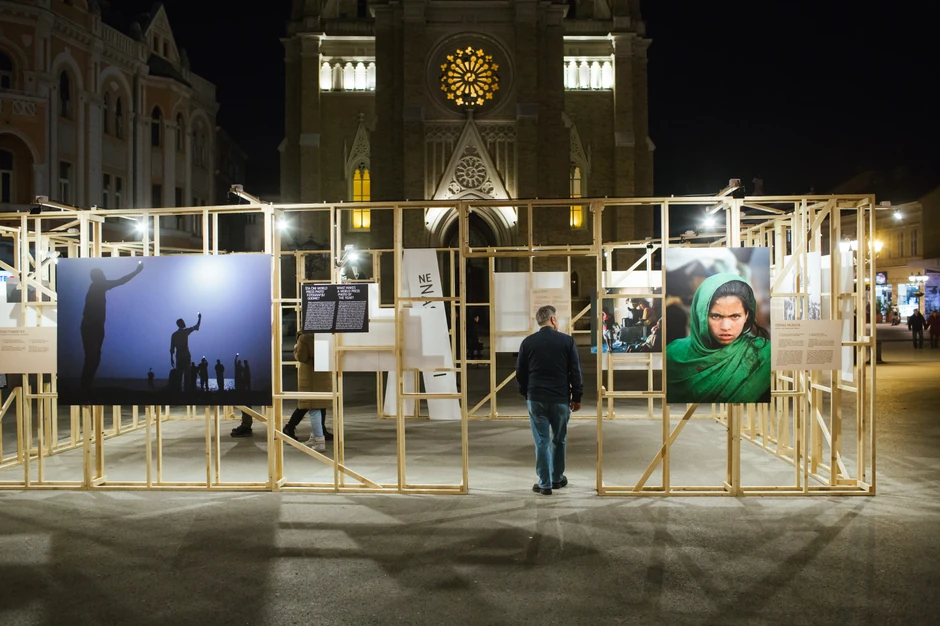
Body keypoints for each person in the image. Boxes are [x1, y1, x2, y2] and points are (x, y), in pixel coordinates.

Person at [666, 273, 771, 404]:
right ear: (701, 315)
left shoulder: (764, 355)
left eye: (735, 316)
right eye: (716, 316)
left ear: (747, 315)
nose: (725, 327)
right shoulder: (672, 355)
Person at [516, 304, 583, 496]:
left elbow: (520, 372)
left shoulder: (528, 342)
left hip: (536, 398)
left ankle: (544, 484)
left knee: (542, 441)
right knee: (559, 439)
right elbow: (575, 372)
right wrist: (576, 397)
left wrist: (527, 393)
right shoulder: (567, 341)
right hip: (560, 398)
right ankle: (557, 478)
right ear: (553, 319)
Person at [80, 261, 143, 388]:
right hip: (92, 326)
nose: (105, 275)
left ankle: (86, 384)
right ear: (98, 277)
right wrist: (136, 272)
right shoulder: (98, 285)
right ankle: (85, 385)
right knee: (93, 356)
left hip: (93, 325)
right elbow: (121, 281)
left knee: (93, 356)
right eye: (102, 274)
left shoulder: (96, 286)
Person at [282, 331, 331, 451]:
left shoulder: (305, 338)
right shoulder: (327, 335)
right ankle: (316, 436)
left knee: (313, 408)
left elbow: (302, 357)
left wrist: (296, 349)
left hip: (310, 377)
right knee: (319, 406)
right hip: (323, 375)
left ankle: (319, 441)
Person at [169, 313, 201, 392]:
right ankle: (186, 392)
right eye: (183, 322)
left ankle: (179, 391)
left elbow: (172, 348)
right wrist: (199, 318)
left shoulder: (174, 335)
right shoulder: (186, 331)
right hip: (186, 356)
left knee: (179, 376)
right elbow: (196, 326)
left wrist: (171, 358)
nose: (184, 323)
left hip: (179, 356)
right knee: (187, 376)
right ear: (180, 324)